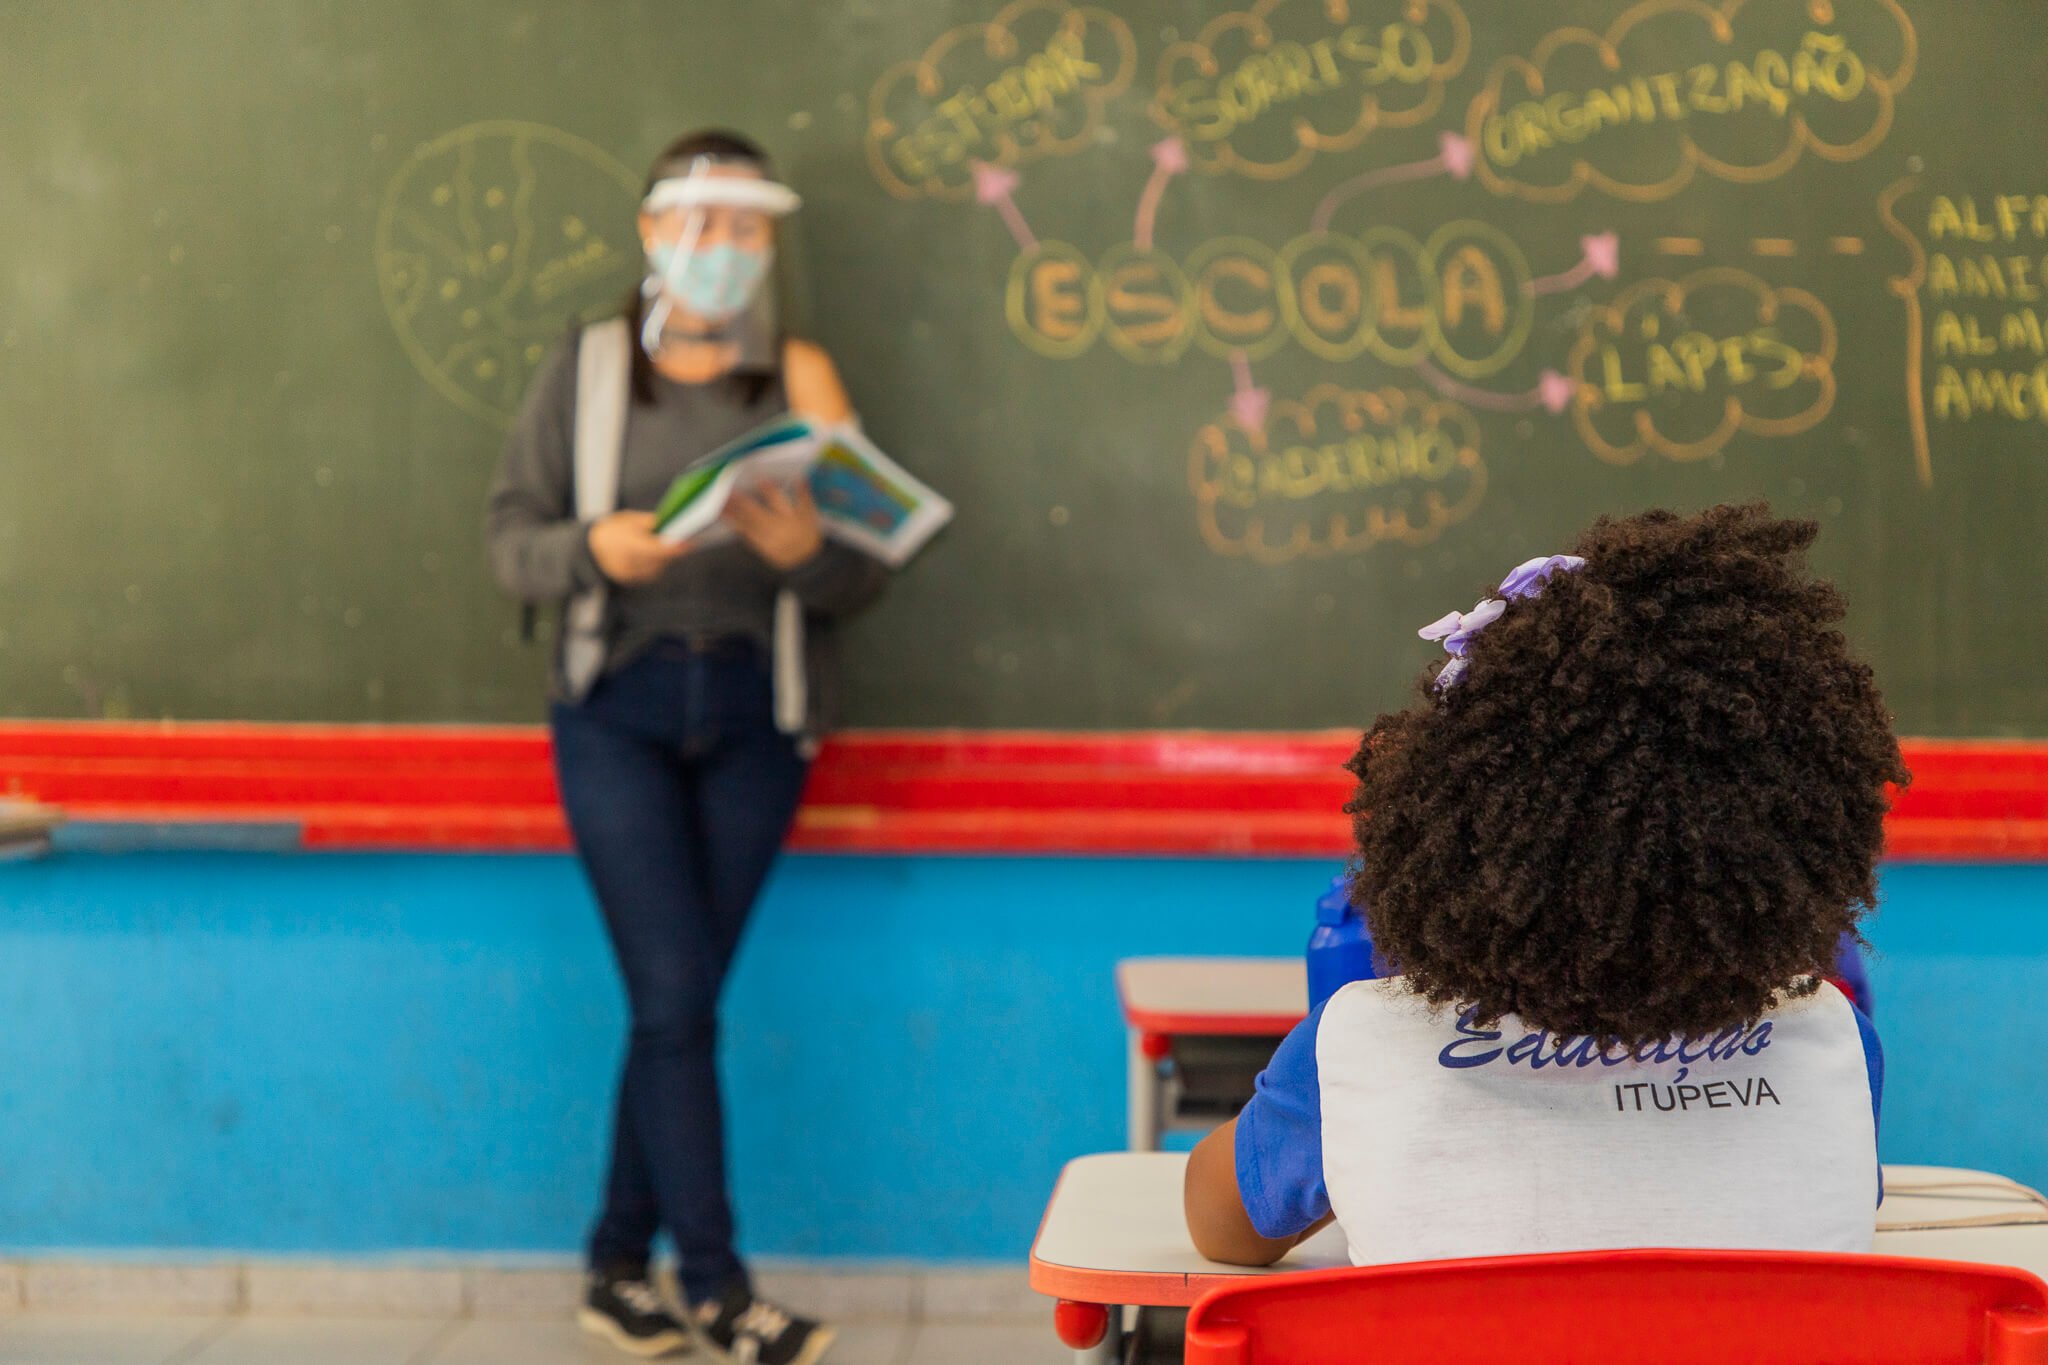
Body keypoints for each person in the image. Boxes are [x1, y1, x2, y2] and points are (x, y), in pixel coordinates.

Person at [1186, 504, 1906, 1268]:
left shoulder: (1362, 1045)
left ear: (1451, 820)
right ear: (1795, 831)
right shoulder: (1829, 1041)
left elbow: (1221, 1227)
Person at [487, 129, 885, 1363]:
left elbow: (860, 574)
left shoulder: (802, 379)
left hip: (759, 723)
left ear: (770, 241)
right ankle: (715, 1290)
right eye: (698, 225)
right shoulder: (590, 368)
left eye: (747, 228)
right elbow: (510, 542)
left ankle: (615, 1267)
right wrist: (593, 550)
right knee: (672, 999)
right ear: (654, 234)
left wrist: (798, 556)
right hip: (617, 712)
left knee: (679, 1004)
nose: (721, 250)